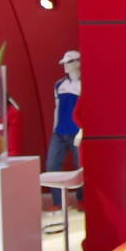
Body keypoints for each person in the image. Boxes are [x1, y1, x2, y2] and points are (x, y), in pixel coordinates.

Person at [46, 50, 82, 209]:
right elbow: (57, 107)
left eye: (68, 63)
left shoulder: (84, 84)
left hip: (77, 131)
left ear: (77, 63)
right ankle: (58, 203)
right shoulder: (59, 85)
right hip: (60, 132)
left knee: (80, 166)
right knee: (52, 165)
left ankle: (82, 200)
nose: (65, 67)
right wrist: (55, 128)